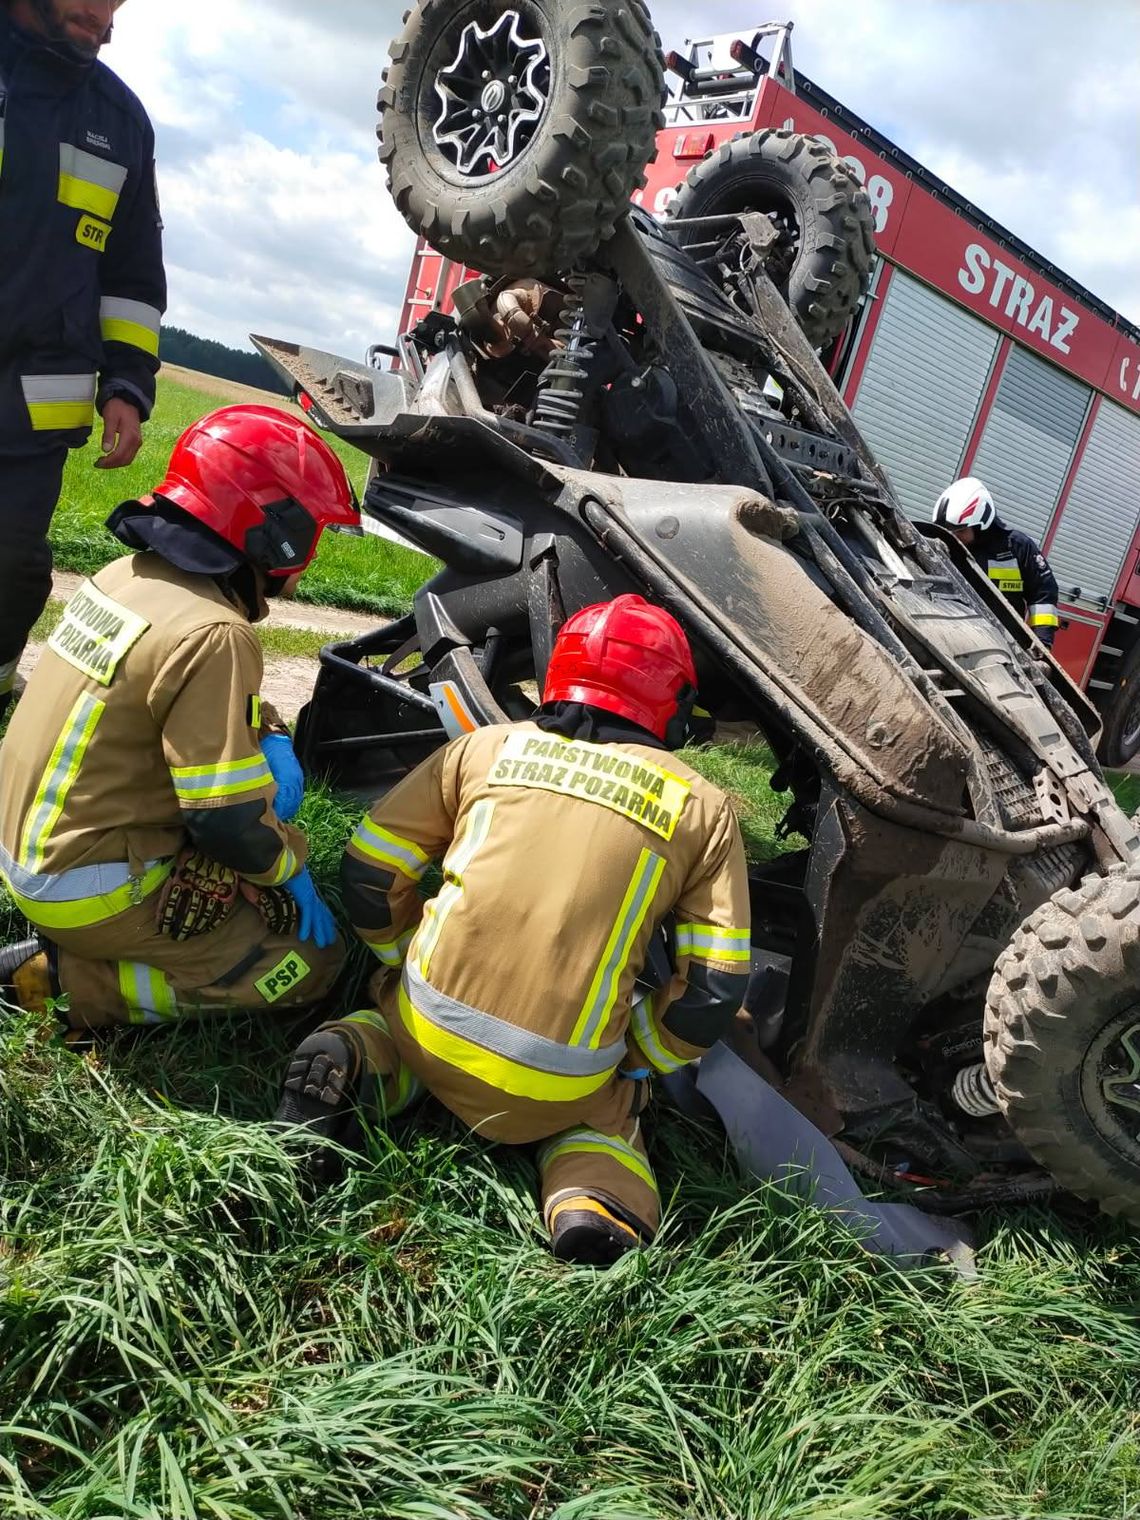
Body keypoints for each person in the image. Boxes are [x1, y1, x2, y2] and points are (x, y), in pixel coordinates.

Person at [276, 594, 752, 1265]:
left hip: (428, 1027)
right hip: (564, 1081)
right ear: (671, 703)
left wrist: (405, 955)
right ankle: (593, 1205)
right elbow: (712, 989)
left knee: (394, 1027)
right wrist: (633, 1058)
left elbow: (368, 871)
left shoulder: (485, 749)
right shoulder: (703, 810)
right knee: (606, 1113)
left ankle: (357, 1053)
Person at [0, 405, 356, 1033]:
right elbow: (224, 820)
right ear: (275, 531)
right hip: (88, 888)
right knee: (313, 963)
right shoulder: (215, 633)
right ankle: (66, 979)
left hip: (22, 849)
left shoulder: (125, 576)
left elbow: (162, 694)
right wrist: (287, 870)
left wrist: (267, 730)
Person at [0, 0, 166, 726]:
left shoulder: (120, 119)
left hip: (29, 410)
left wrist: (126, 384)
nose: (105, 18)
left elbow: (132, 274)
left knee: (10, 569)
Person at [932, 477, 1060, 647]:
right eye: (948, 531)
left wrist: (1041, 641)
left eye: (961, 530)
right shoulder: (943, 547)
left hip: (1006, 644)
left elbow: (1043, 595)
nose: (953, 537)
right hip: (952, 638)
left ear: (981, 524)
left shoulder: (1017, 547)